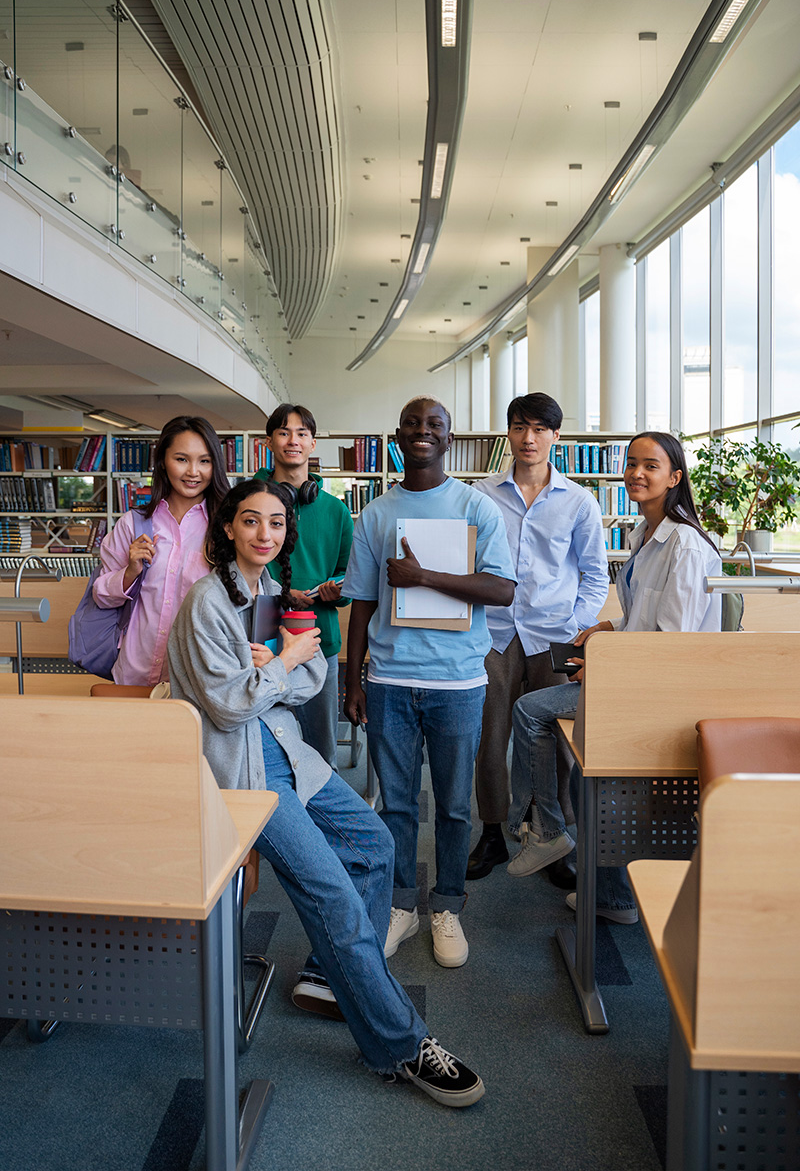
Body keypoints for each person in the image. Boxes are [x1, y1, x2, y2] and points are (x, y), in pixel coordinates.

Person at [167, 478, 485, 1108]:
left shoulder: (274, 594)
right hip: (242, 773)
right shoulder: (208, 601)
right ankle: (398, 1041)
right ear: (229, 527)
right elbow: (231, 709)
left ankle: (340, 979)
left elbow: (311, 677)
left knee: (373, 844)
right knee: (332, 891)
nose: (265, 533)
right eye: (252, 521)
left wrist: (275, 668)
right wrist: (278, 666)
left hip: (288, 754)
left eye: (277, 524)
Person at [508, 431, 722, 922]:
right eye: (631, 464)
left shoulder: (684, 544)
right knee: (591, 770)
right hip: (635, 675)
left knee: (532, 712)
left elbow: (672, 640)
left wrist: (604, 664)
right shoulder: (642, 534)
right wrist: (609, 626)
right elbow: (645, 618)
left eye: (650, 466)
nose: (637, 474)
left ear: (675, 476)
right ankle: (612, 894)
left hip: (658, 691)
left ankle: (546, 831)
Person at [343, 396, 516, 968]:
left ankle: (447, 906)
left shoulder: (477, 508)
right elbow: (363, 604)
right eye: (413, 424)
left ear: (449, 438)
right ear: (398, 435)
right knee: (394, 804)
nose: (423, 431)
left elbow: (501, 590)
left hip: (458, 682)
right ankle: (400, 906)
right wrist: (354, 680)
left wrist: (423, 577)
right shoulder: (374, 514)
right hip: (390, 678)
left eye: (434, 425)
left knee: (453, 806)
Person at [468, 392, 608, 882]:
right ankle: (491, 832)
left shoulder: (579, 501)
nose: (529, 438)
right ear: (507, 432)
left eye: (539, 429)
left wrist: (576, 628)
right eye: (519, 427)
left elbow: (595, 575)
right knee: (490, 738)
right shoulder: (481, 496)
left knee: (557, 741)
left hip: (555, 636)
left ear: (555, 436)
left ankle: (551, 835)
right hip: (495, 633)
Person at [92, 415, 230, 686]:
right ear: (162, 462)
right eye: (181, 459)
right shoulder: (133, 524)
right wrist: (130, 572)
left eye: (204, 461)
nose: (193, 472)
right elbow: (101, 597)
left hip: (198, 678)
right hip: (133, 672)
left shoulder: (228, 528)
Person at [253, 403, 353, 770]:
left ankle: (323, 827)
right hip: (260, 642)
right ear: (268, 442)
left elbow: (349, 574)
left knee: (322, 753)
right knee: (262, 751)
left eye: (301, 434)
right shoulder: (251, 501)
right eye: (283, 432)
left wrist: (337, 589)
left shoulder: (335, 511)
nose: (292, 441)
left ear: (312, 444)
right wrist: (279, 591)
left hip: (317, 642)